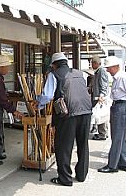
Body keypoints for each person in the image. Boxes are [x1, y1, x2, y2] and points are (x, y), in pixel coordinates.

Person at [34, 52, 92, 186]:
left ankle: (65, 179)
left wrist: (38, 103)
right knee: (83, 144)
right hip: (86, 111)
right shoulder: (79, 73)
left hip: (68, 114)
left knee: (64, 146)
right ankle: (82, 175)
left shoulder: (54, 75)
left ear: (54, 65)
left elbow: (47, 96)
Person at [98, 56, 126, 173]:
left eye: (109, 68)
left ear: (116, 67)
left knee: (117, 137)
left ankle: (112, 165)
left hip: (123, 107)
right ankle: (124, 163)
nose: (108, 70)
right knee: (119, 136)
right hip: (118, 106)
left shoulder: (123, 78)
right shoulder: (117, 78)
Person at [91, 56, 109, 140]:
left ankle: (102, 134)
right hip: (98, 97)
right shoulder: (97, 72)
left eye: (92, 63)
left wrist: (101, 95)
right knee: (100, 115)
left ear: (96, 63)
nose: (91, 65)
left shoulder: (101, 71)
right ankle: (103, 133)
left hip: (100, 98)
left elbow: (104, 85)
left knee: (101, 115)